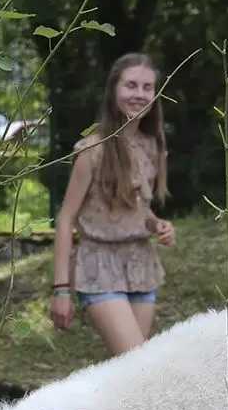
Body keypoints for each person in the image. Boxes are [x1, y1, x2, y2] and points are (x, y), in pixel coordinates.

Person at [48, 52, 176, 357]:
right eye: (131, 85)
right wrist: (61, 289)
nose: (139, 94)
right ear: (113, 90)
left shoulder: (151, 146)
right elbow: (66, 219)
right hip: (98, 266)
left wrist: (156, 224)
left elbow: (135, 208)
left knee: (132, 371)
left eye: (147, 87)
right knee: (138, 365)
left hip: (140, 263)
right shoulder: (92, 150)